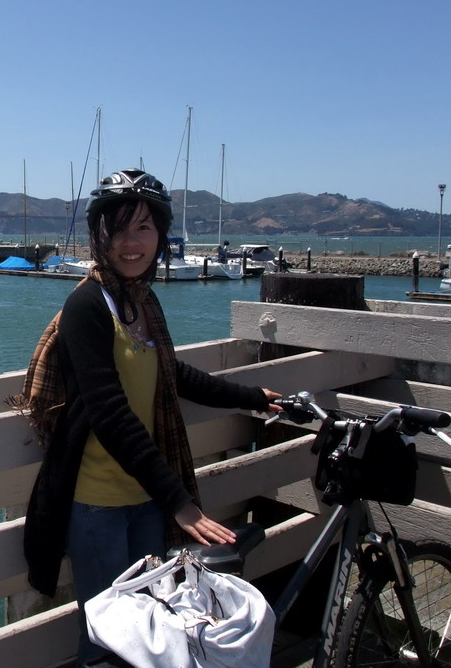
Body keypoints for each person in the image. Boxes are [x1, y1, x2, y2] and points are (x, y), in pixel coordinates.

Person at [15, 168, 281, 666]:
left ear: (161, 236)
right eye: (118, 229)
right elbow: (109, 411)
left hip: (146, 501)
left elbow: (169, 373)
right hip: (99, 506)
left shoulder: (142, 301)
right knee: (106, 642)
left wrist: (249, 396)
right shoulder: (87, 306)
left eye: (144, 228)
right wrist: (181, 503)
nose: (130, 243)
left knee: (156, 633)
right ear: (99, 235)